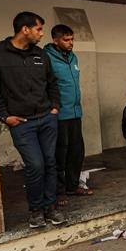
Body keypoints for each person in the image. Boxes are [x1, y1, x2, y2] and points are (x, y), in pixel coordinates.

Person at [0, 11, 65, 228]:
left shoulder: (41, 54)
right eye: (38, 29)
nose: (42, 34)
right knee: (36, 164)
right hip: (22, 123)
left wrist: (54, 107)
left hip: (47, 118)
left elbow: (52, 83)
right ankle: (36, 210)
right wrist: (4, 116)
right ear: (25, 29)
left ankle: (51, 207)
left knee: (50, 162)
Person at [45, 24, 92, 199]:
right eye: (66, 40)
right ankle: (58, 191)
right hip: (58, 114)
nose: (71, 43)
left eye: (72, 39)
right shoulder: (46, 57)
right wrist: (52, 107)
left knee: (76, 151)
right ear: (55, 40)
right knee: (59, 153)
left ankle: (72, 186)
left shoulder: (73, 57)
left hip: (75, 112)